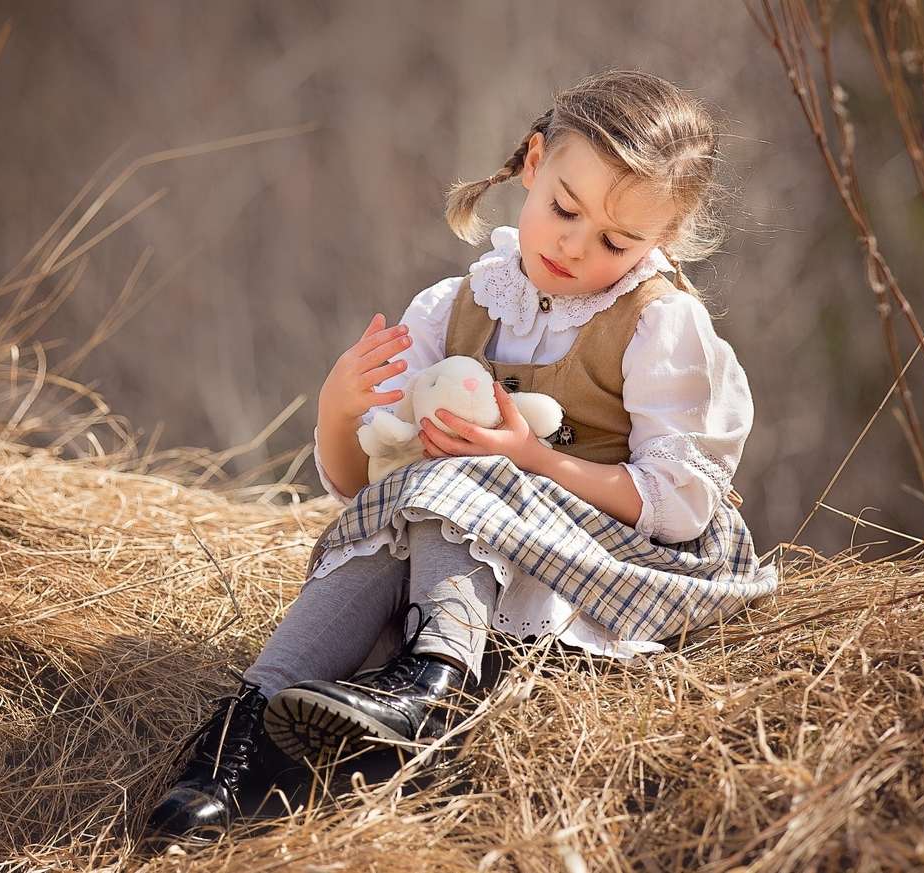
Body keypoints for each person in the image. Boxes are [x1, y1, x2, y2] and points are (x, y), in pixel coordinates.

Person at [144, 68, 778, 847]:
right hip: (455, 554)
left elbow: (681, 504)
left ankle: (433, 683)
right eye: (564, 209)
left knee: (455, 478)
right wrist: (338, 410)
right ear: (534, 165)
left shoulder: (660, 324)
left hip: (599, 562)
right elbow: (357, 489)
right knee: (405, 504)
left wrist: (529, 460)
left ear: (664, 239)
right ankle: (238, 746)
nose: (576, 247)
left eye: (616, 241)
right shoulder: (456, 307)